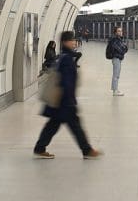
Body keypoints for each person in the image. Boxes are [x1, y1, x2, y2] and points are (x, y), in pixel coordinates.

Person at [34, 31, 102, 159]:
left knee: (53, 125)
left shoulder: (63, 56)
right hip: (64, 101)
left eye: (74, 40)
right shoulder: (66, 59)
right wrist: (70, 99)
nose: (74, 42)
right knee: (75, 126)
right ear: (65, 42)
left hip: (60, 100)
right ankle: (86, 150)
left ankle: (39, 148)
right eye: (72, 40)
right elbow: (66, 81)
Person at [105, 25, 128, 95]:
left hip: (118, 58)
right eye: (119, 31)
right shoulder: (115, 40)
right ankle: (115, 91)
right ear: (115, 32)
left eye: (121, 31)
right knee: (116, 75)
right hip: (116, 58)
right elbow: (122, 50)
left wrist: (124, 48)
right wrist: (124, 48)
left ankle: (115, 89)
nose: (120, 32)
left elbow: (125, 48)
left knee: (117, 75)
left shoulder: (119, 39)